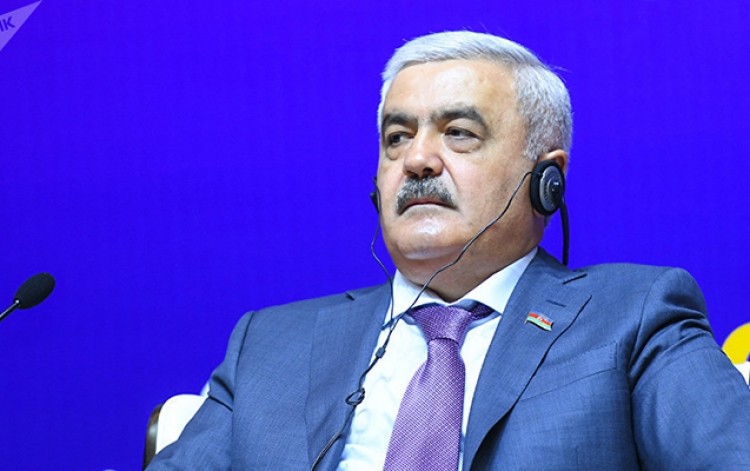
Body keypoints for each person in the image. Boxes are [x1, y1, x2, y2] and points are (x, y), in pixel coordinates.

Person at [146, 31, 750, 470]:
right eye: (396, 137)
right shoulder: (270, 344)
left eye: (459, 133)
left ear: (548, 179)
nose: (416, 160)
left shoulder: (634, 316)